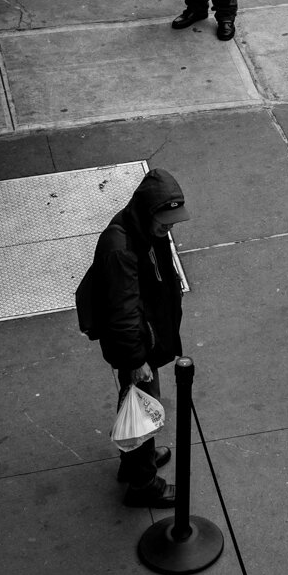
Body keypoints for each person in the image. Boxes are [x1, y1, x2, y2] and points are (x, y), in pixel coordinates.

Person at [88, 168, 189, 506]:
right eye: (164, 223)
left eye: (172, 223)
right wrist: (136, 360)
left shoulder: (145, 230)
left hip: (143, 337)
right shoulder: (121, 247)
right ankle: (143, 484)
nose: (168, 229)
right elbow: (123, 311)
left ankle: (133, 462)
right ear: (148, 212)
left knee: (136, 402)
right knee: (142, 405)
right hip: (133, 344)